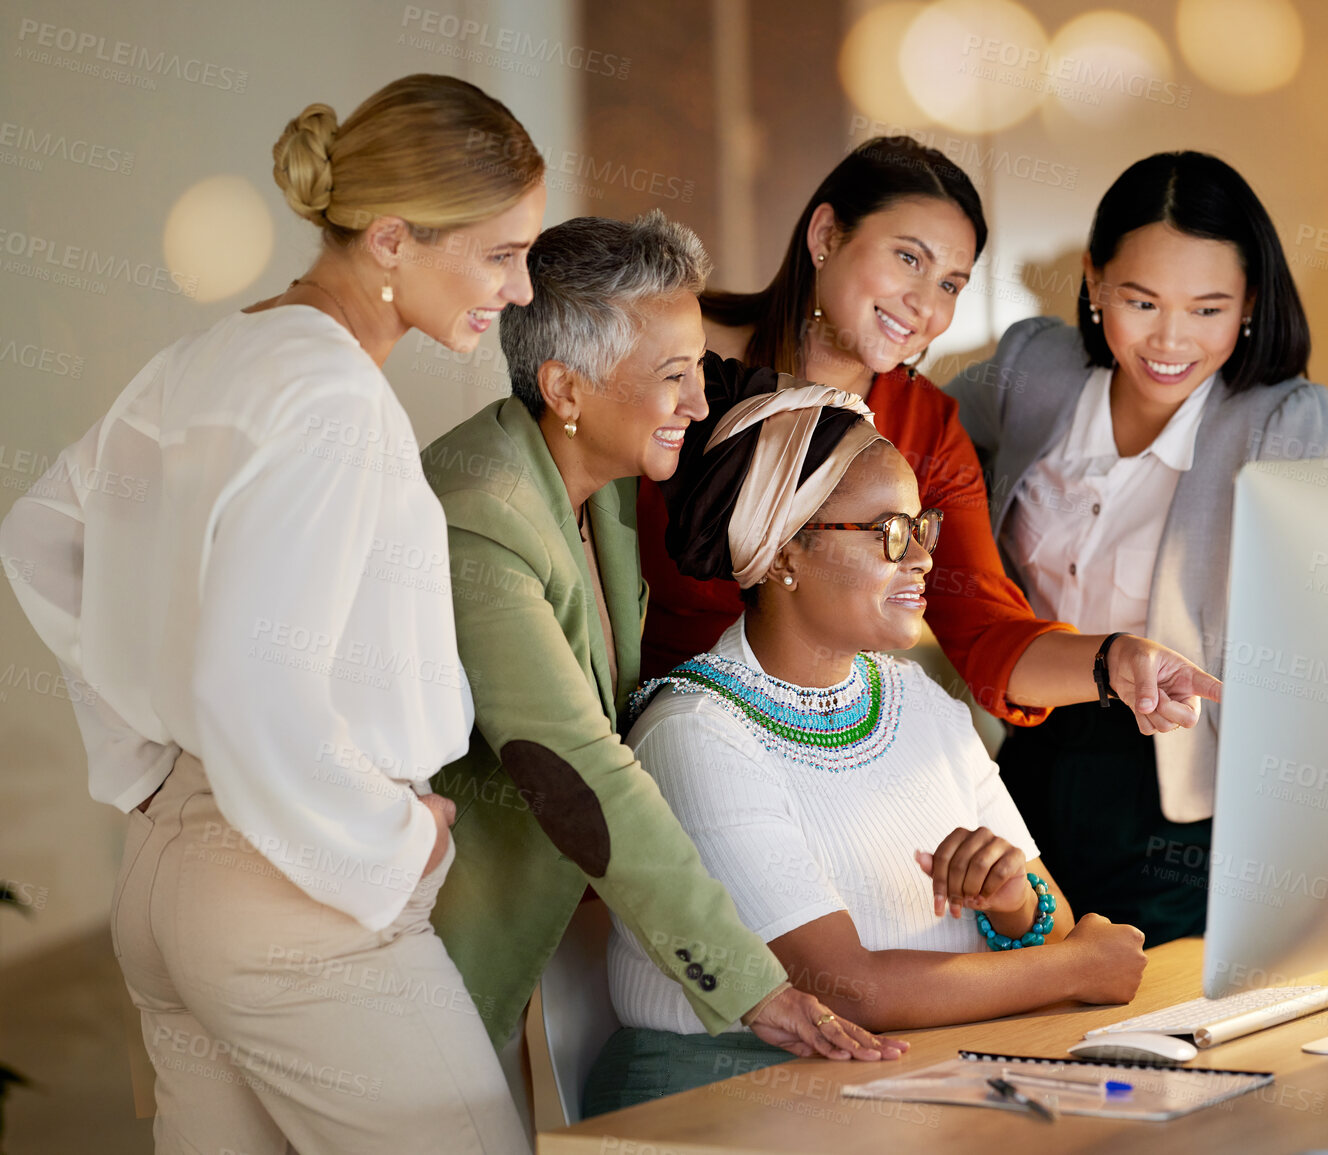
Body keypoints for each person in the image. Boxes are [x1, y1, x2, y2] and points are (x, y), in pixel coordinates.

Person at [0, 75, 548, 1153]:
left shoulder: (211, 357)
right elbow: (254, 676)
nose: (520, 290)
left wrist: (151, 762)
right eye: (500, 253)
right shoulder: (334, 398)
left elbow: (37, 533)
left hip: (173, 885)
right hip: (297, 901)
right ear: (389, 240)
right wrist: (390, 842)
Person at [421, 211, 904, 1096]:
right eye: (673, 377)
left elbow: (751, 403)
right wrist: (755, 985)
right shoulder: (481, 517)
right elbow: (577, 768)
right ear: (564, 388)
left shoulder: (596, 479)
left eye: (697, 372)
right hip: (392, 936)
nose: (697, 402)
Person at [586, 358, 1149, 1114]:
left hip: (911, 1079)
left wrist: (1012, 901)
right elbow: (852, 987)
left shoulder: (915, 698)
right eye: (888, 532)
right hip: (725, 1100)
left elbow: (1046, 925)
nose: (921, 557)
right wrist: (1081, 968)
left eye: (921, 526)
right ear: (782, 551)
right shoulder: (695, 733)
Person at [636, 135, 1221, 739]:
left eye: (951, 284)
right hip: (663, 729)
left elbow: (988, 630)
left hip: (821, 740)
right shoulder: (674, 354)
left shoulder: (924, 426)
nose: (925, 306)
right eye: (909, 259)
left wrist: (1113, 662)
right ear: (826, 236)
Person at [947, 151, 1328, 945]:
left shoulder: (1282, 419)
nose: (1170, 340)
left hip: (1174, 777)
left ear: (1249, 303)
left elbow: (1309, 624)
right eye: (1140, 301)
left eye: (1207, 309)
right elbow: (917, 440)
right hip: (1031, 739)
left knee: (1151, 1020)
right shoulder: (1035, 369)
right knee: (1019, 989)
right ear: (1094, 283)